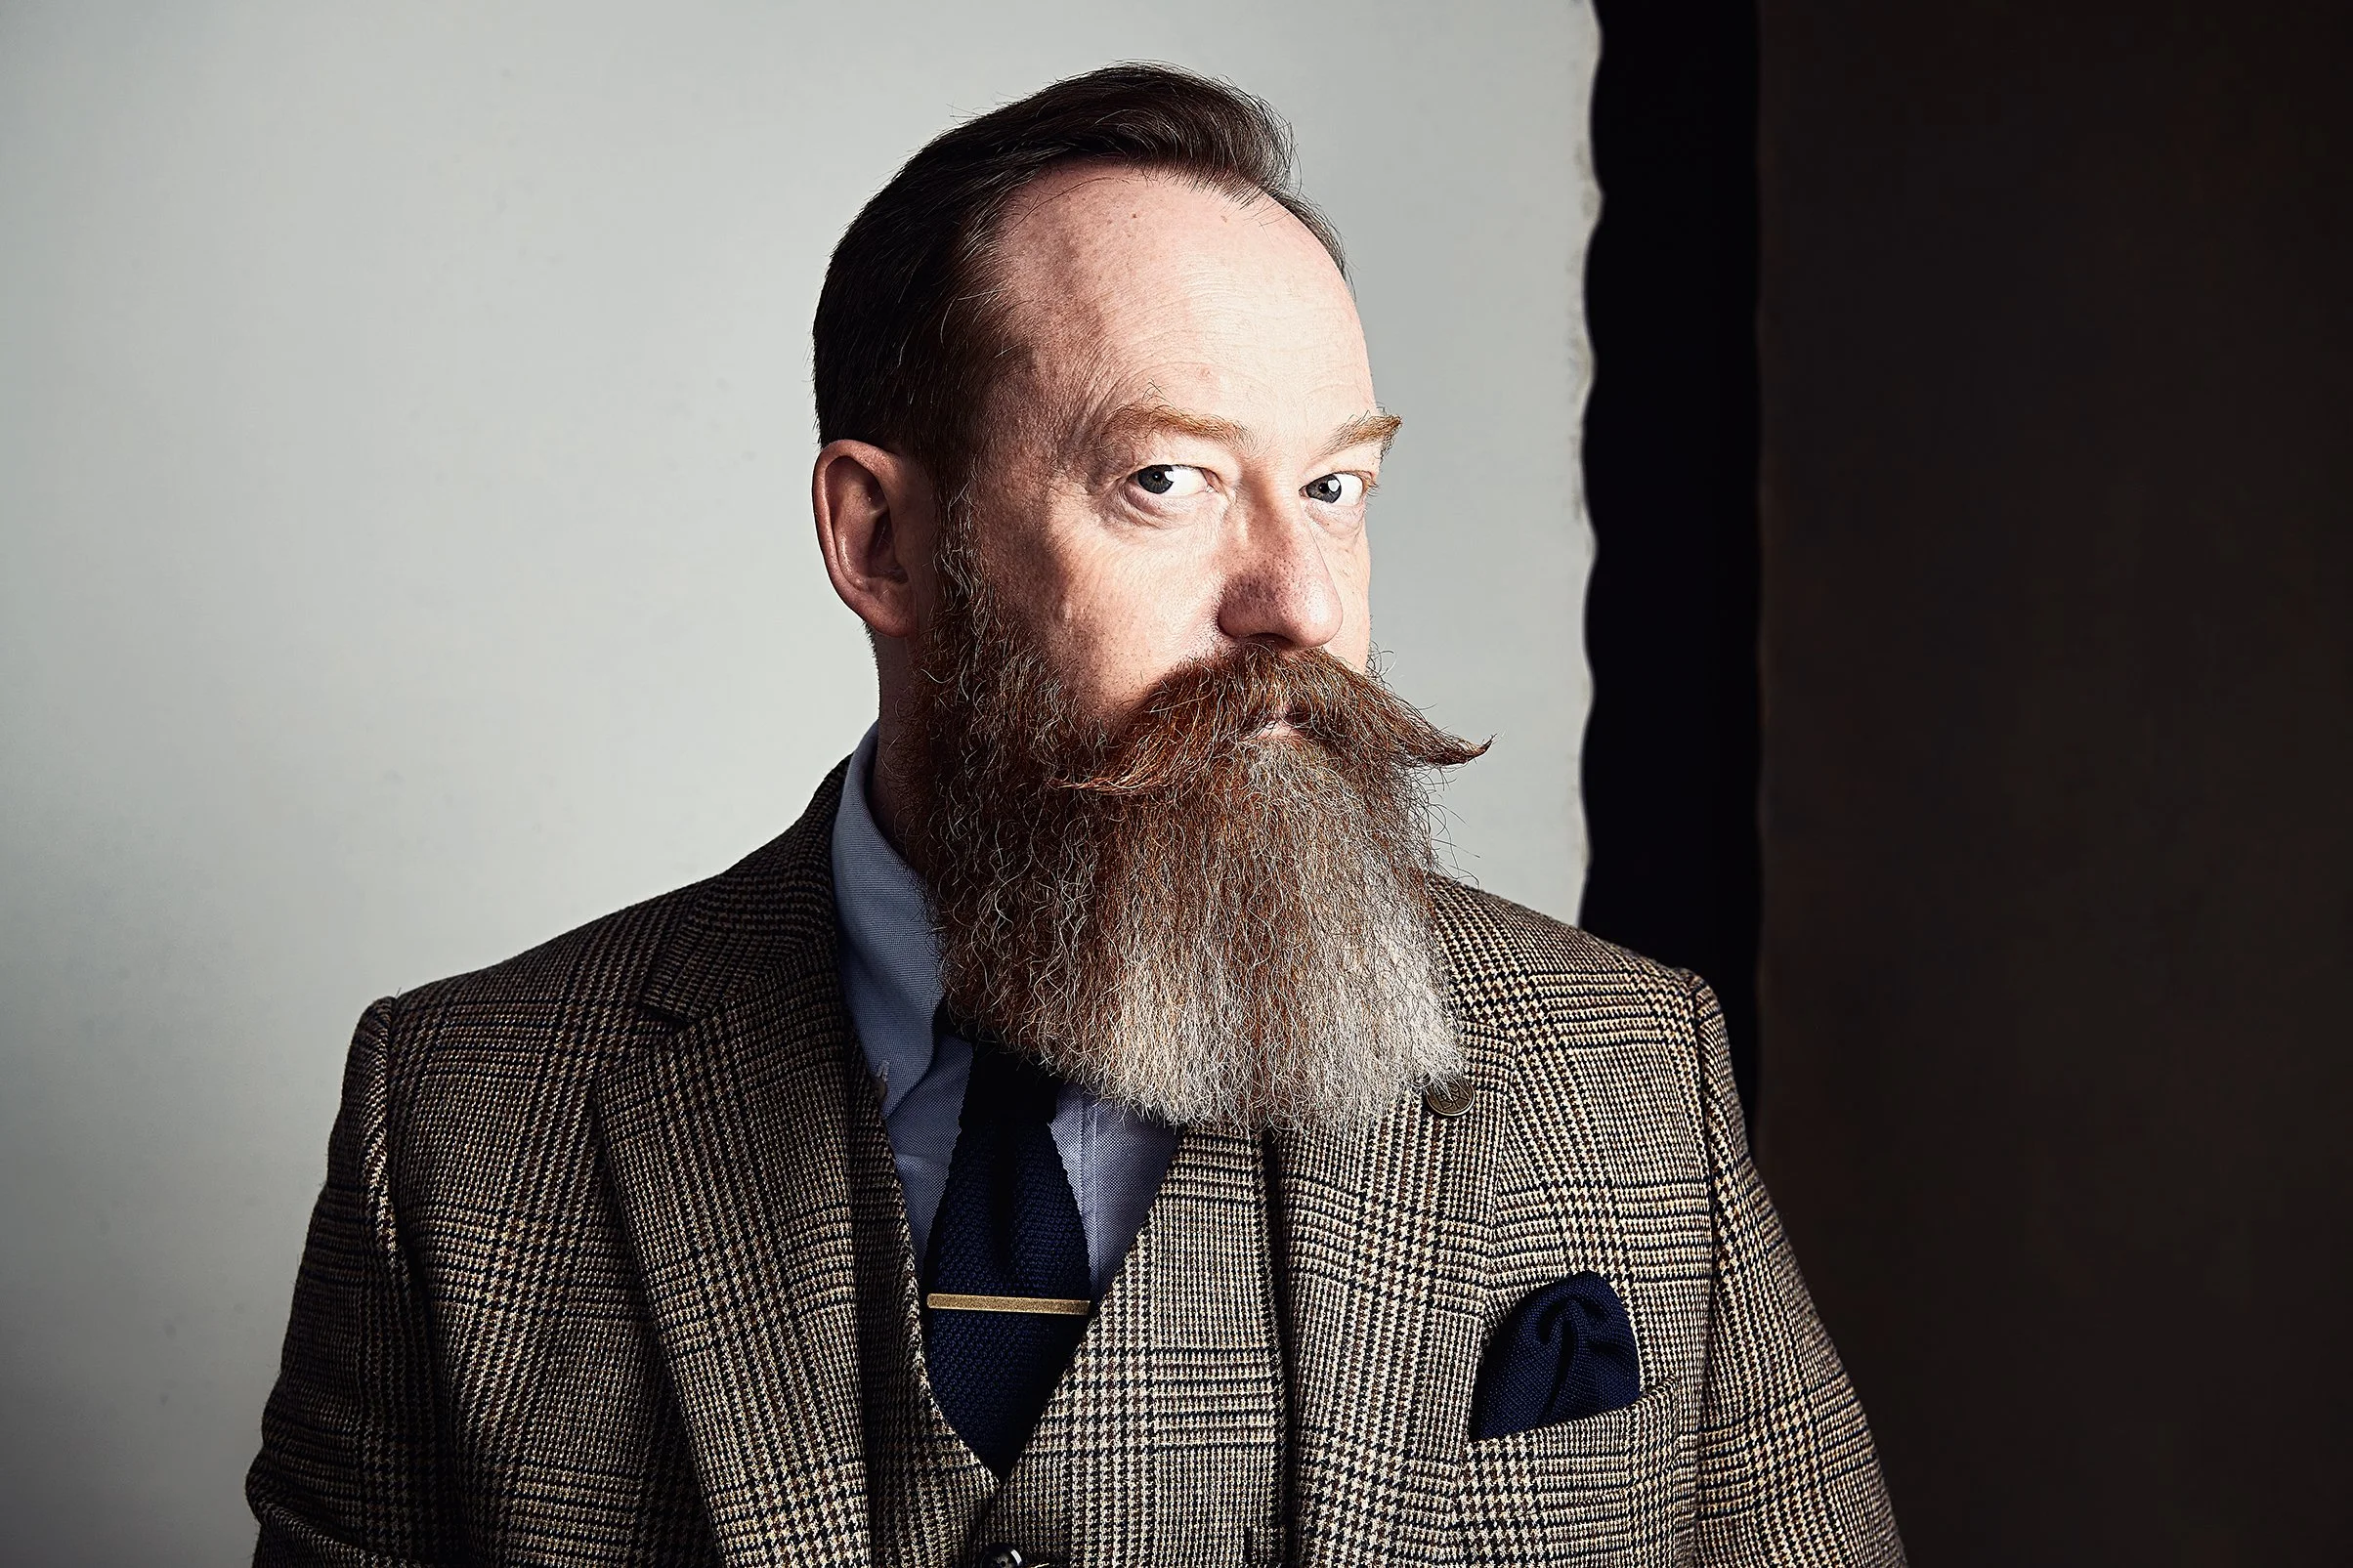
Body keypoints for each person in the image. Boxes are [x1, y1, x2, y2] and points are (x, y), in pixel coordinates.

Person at [248, 64, 1903, 1568]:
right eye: (1166, 481)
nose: (1302, 605)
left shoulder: (1625, 1075)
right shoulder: (462, 1128)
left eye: (1335, 486)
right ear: (881, 543)